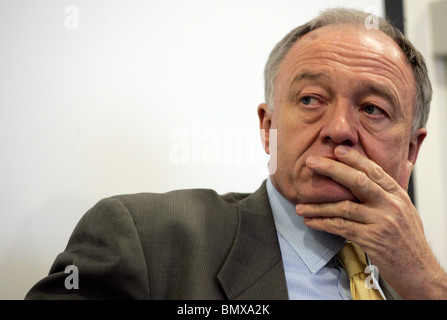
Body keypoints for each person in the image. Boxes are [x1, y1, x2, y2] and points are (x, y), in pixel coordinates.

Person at [25, 8, 447, 300]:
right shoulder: (147, 239)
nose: (339, 129)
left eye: (372, 109)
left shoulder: (415, 282)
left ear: (410, 150)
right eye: (311, 99)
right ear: (268, 128)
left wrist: (427, 283)